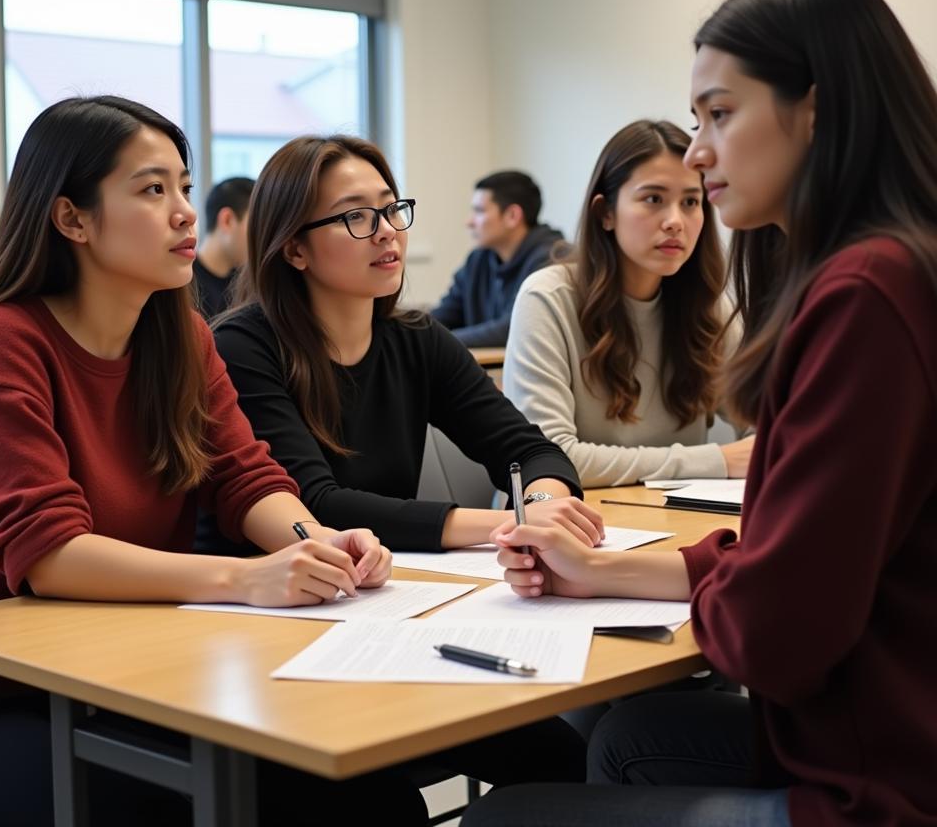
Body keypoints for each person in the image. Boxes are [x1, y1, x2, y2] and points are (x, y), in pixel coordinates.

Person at [463, 0, 937, 827]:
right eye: (694, 127)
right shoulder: (892, 268)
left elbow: (781, 629)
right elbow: (795, 564)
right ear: (607, 214)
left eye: (721, 115)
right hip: (883, 728)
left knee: (507, 817)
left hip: (885, 780)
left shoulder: (864, 292)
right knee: (629, 740)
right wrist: (604, 572)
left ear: (818, 112)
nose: (698, 155)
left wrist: (705, 590)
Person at [0, 97, 390, 827]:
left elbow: (245, 475)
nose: (184, 213)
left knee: (356, 798)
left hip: (129, 668)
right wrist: (246, 579)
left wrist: (311, 542)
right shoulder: (1, 337)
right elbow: (51, 555)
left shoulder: (184, 335)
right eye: (151, 189)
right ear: (71, 218)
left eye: (185, 188)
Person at [207, 133, 604, 794]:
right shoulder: (243, 345)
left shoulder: (415, 338)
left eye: (392, 210)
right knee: (383, 801)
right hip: (273, 632)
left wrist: (542, 504)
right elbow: (318, 503)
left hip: (384, 614)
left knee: (560, 760)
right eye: (357, 216)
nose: (386, 232)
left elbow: (530, 448)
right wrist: (499, 529)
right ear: (294, 247)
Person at [503, 120, 753, 486]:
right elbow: (548, 456)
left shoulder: (708, 308)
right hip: (566, 525)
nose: (674, 222)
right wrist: (715, 460)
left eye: (690, 202)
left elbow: (769, 426)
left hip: (673, 523)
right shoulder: (548, 298)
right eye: (653, 199)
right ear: (605, 213)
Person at [432, 170, 563, 347]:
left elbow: (516, 328)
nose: (469, 222)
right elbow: (446, 314)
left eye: (479, 211)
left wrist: (437, 341)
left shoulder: (552, 259)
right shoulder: (478, 259)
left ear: (512, 216)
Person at [193, 175, 255, 319]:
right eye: (256, 224)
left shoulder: (246, 284)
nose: (261, 237)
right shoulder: (183, 284)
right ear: (227, 220)